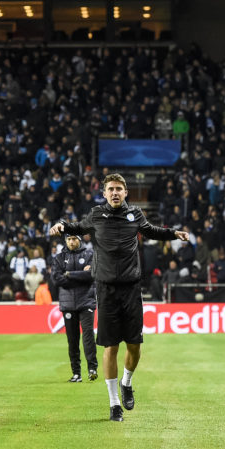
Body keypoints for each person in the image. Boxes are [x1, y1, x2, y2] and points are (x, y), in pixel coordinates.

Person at [50, 173, 189, 423]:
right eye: (110, 189)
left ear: (126, 193)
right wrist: (62, 225)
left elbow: (152, 231)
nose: (115, 193)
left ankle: (127, 382)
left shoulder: (135, 215)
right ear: (104, 193)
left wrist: (174, 233)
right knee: (110, 346)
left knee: (134, 346)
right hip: (105, 289)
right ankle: (114, 404)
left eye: (119, 189)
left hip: (131, 288)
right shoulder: (96, 215)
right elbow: (77, 227)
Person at [51, 234, 99, 382]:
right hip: (68, 304)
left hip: (86, 301)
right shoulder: (59, 257)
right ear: (66, 241)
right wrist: (80, 276)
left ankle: (92, 369)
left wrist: (69, 274)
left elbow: (91, 275)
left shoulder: (90, 254)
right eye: (69, 239)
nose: (72, 242)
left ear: (80, 240)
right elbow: (56, 279)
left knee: (88, 336)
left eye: (74, 239)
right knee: (72, 340)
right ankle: (76, 373)